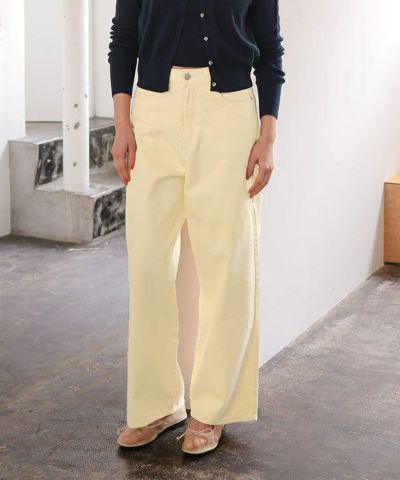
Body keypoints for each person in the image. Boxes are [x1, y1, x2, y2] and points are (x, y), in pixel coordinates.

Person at [108, 0, 285, 455]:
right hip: (153, 113)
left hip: (228, 115)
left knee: (226, 267)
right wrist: (122, 123)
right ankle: (156, 404)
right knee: (148, 265)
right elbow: (123, 39)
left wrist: (267, 136)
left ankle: (212, 408)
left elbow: (270, 51)